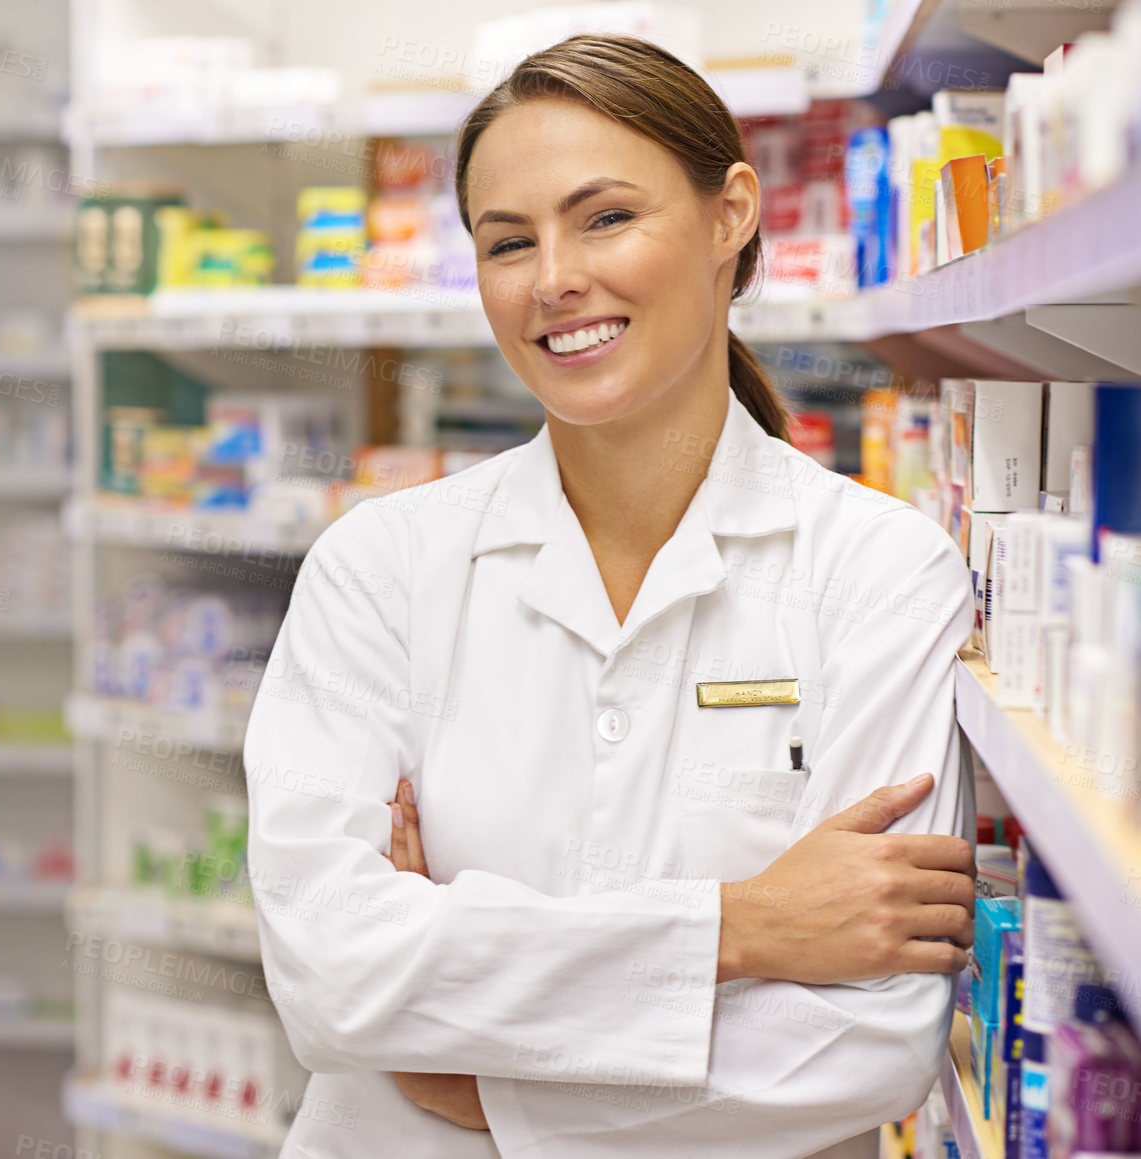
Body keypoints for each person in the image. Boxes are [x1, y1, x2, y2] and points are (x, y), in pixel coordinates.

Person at [241, 33, 977, 1159]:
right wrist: (745, 926)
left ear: (731, 215)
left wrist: (490, 1088)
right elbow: (332, 978)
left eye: (605, 218)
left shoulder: (878, 572)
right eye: (507, 241)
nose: (553, 280)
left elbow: (866, 1044)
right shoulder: (379, 568)